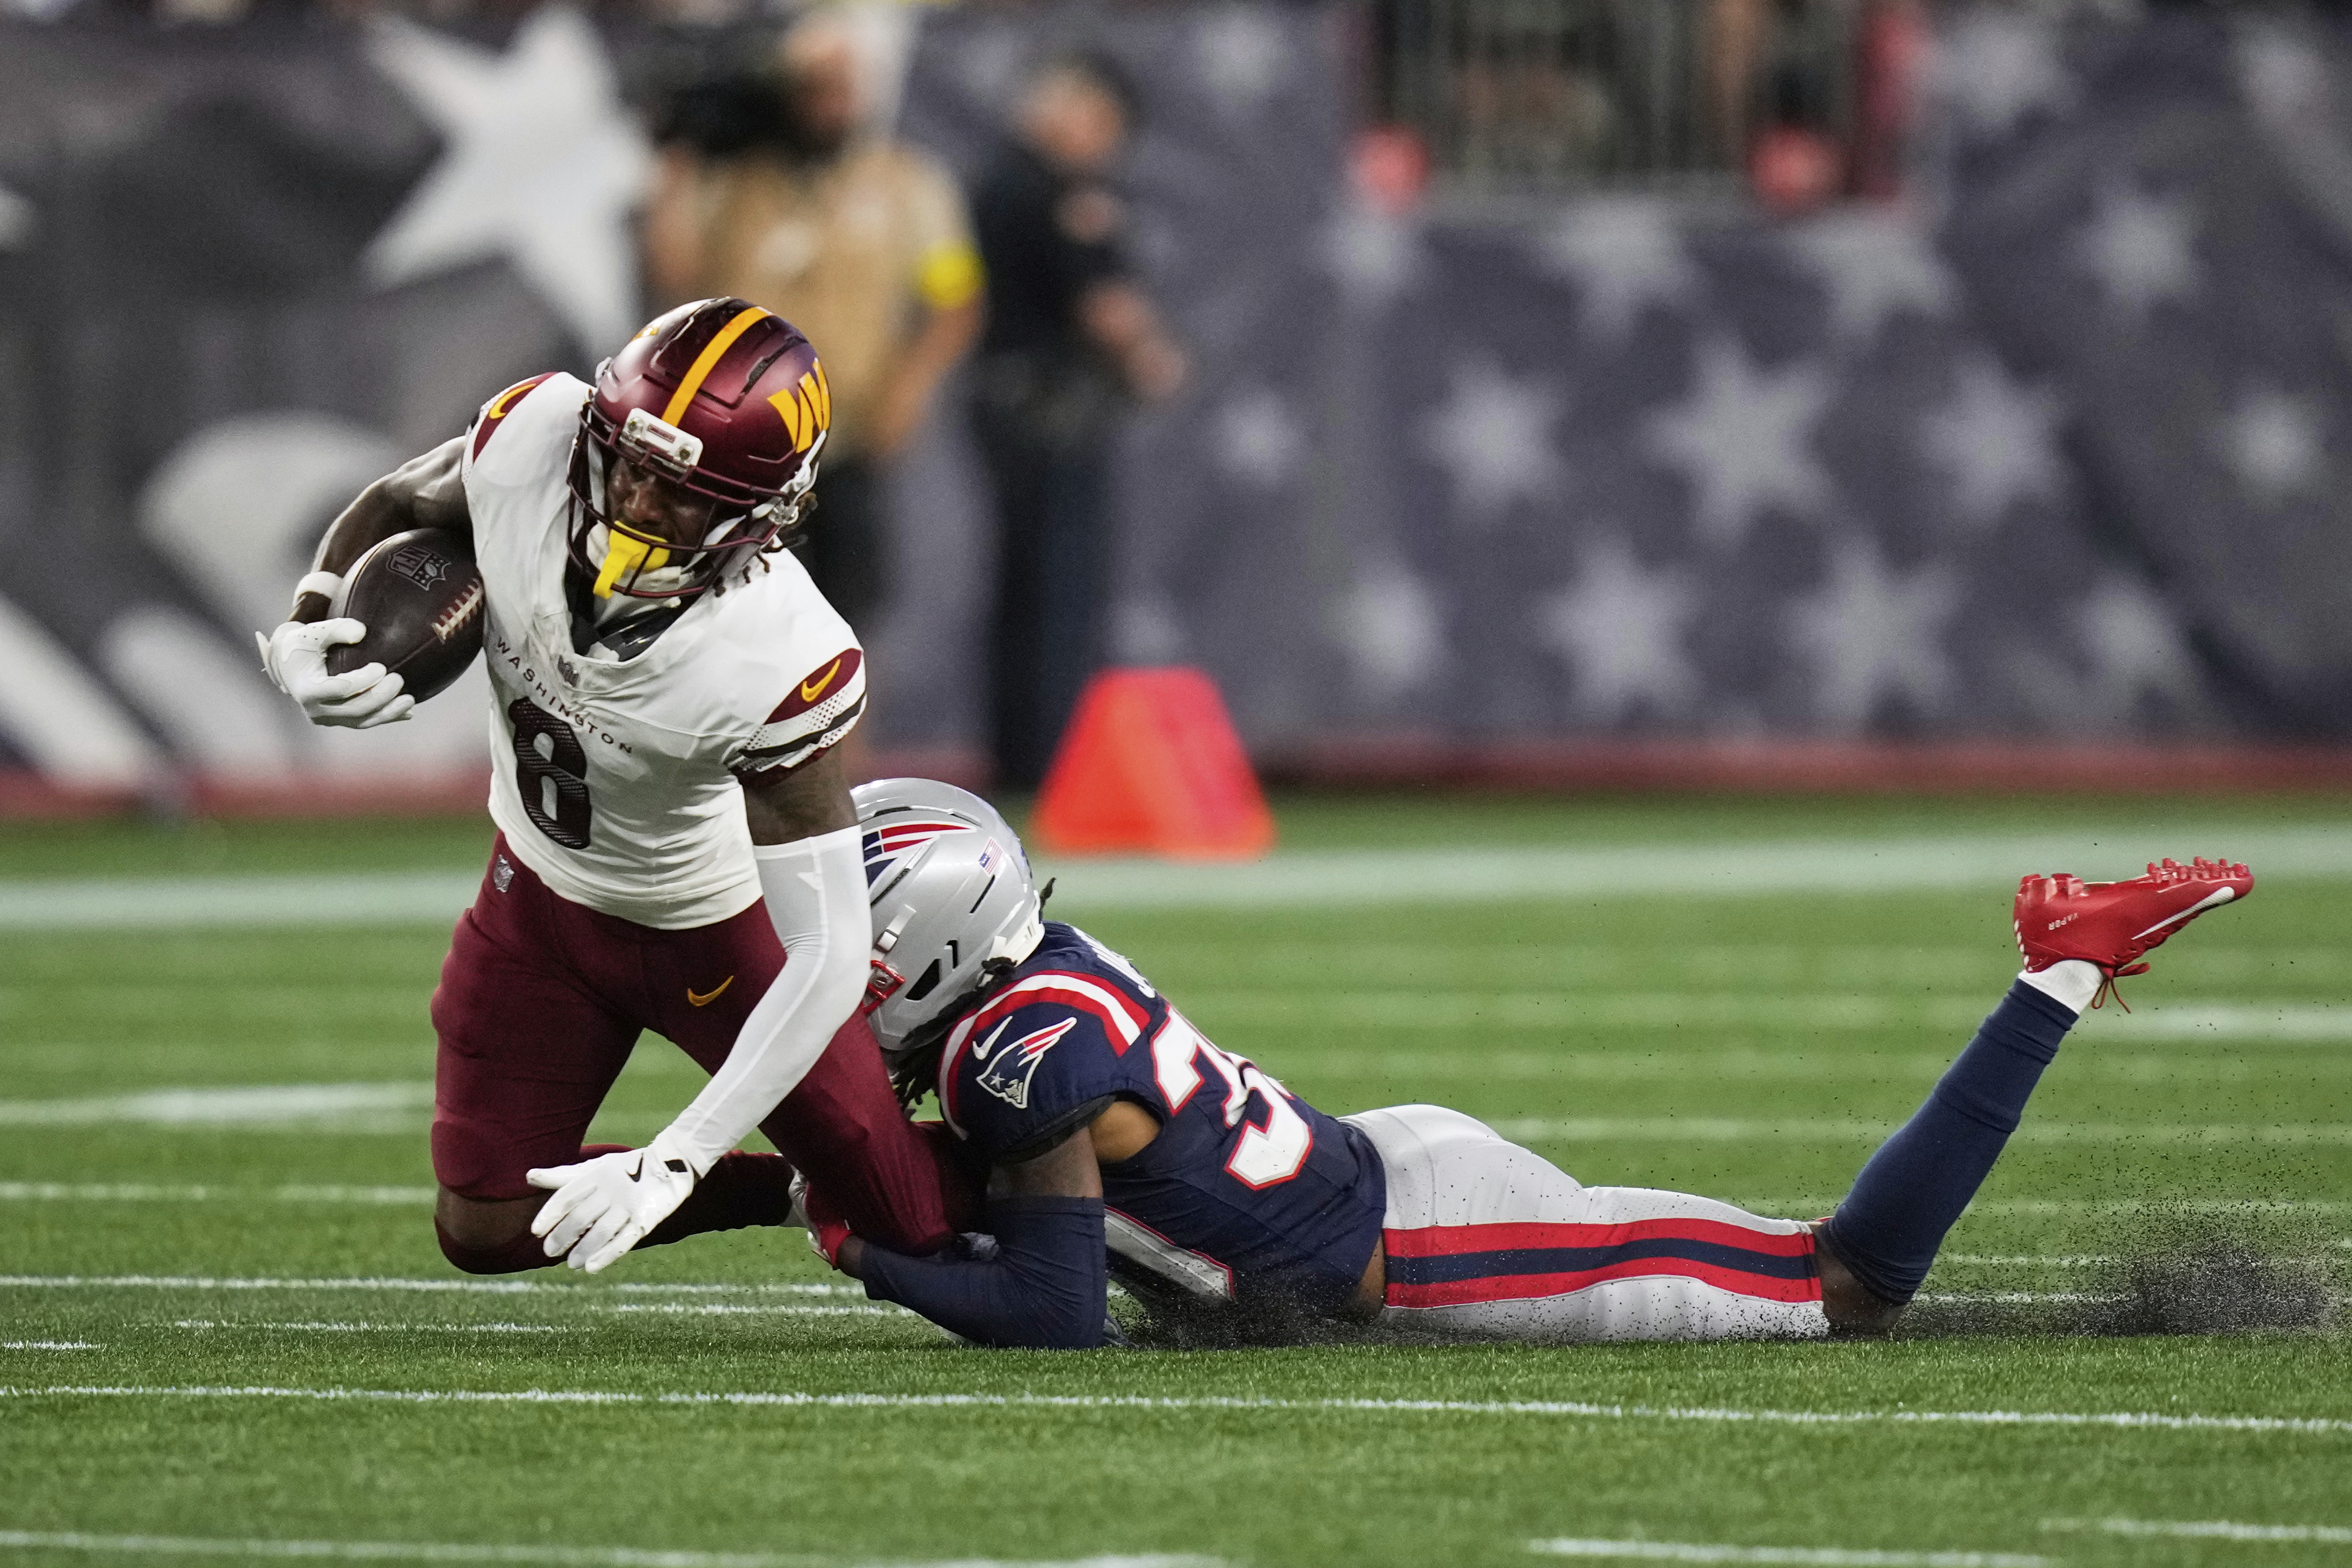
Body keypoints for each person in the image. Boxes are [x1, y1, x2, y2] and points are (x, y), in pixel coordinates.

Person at [809, 779, 2254, 1347]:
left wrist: (853, 1249)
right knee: (1822, 1276)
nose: (837, 964)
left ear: (930, 944)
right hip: (1380, 1184)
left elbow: (1057, 1313)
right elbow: (994, 1201)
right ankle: (2057, 965)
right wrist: (716, 1192)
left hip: (1429, 1241)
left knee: (1846, 1288)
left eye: (857, 939)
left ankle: (2055, 969)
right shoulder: (1023, 1001)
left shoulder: (1013, 1050)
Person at [255, 299, 975, 1277]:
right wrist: (309, 620)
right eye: (632, 462)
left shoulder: (780, 656)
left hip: (717, 932)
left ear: (763, 517)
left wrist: (676, 1157)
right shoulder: (532, 441)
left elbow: (830, 946)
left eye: (685, 493)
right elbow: (397, 502)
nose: (638, 504)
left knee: (915, 1223)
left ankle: (1100, 1160)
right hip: (540, 904)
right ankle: (794, 1192)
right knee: (488, 1226)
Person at [645, 7, 983, 637]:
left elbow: (955, 300)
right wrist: (677, 165)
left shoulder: (906, 184)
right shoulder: (736, 181)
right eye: (811, 87)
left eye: (841, 87)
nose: (826, 104)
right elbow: (676, 274)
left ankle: (845, 738)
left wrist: (912, 387)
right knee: (727, 614)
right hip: (737, 438)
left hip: (846, 433)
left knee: (845, 620)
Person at [967, 53, 1186, 788]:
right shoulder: (1060, 194)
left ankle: (1020, 757)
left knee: (1020, 591)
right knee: (1061, 592)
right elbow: (1107, 310)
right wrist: (1154, 358)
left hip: (997, 402)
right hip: (1052, 413)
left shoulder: (990, 181)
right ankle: (1057, 763)